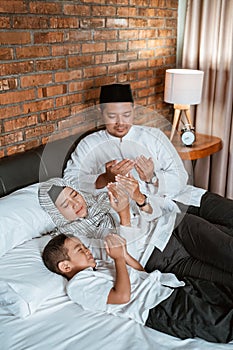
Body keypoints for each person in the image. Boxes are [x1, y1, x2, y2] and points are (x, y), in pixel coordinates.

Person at [63, 83, 233, 243]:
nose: (120, 122)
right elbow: (70, 181)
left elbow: (180, 176)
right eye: (112, 116)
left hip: (186, 197)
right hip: (152, 214)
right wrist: (105, 178)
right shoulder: (89, 144)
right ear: (101, 113)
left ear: (134, 111)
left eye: (126, 115)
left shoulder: (154, 136)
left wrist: (152, 178)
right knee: (219, 240)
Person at [38, 177, 233, 287]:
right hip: (161, 261)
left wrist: (140, 200)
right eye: (66, 204)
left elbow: (152, 212)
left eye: (74, 195)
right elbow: (121, 256)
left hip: (174, 229)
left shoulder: (105, 198)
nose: (76, 203)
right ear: (58, 214)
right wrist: (123, 214)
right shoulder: (74, 241)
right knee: (225, 282)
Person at [42, 233, 233, 343]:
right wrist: (117, 259)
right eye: (80, 250)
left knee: (225, 293)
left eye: (84, 246)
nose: (87, 250)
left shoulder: (98, 265)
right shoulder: (78, 286)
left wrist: (123, 255)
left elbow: (141, 272)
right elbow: (123, 296)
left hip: (171, 284)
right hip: (160, 307)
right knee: (222, 326)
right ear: (65, 266)